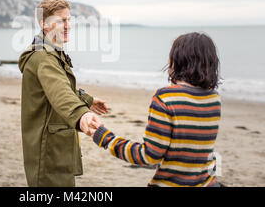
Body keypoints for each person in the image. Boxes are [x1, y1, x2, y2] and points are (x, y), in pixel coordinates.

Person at [91, 32, 222, 187]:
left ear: (177, 60)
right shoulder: (214, 99)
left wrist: (106, 139)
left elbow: (150, 156)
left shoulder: (165, 98)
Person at [18, 0, 108, 187]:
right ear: (45, 24)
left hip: (55, 145)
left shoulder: (51, 51)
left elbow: (58, 86)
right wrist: (81, 115)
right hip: (47, 149)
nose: (68, 26)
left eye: (69, 19)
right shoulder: (44, 57)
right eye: (61, 21)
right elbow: (60, 93)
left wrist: (87, 100)